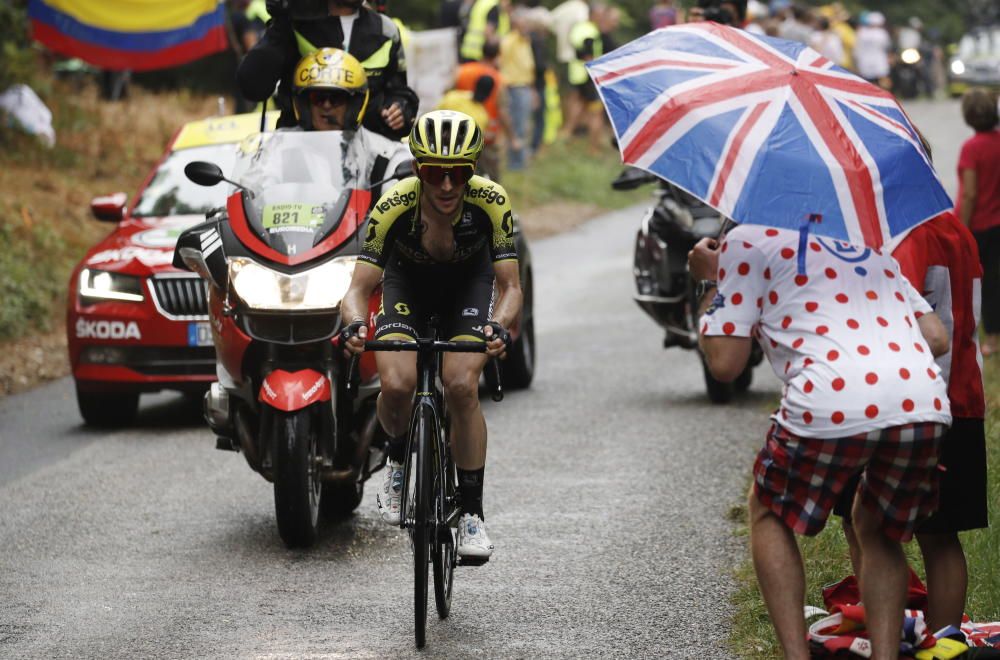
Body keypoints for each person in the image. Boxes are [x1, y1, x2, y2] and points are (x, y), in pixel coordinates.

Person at [688, 225, 951, 660]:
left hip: (831, 397)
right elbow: (937, 338)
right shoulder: (865, 243)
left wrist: (712, 280)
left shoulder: (747, 242)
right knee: (875, 524)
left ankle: (796, 656)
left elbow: (725, 364)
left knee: (768, 510)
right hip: (920, 398)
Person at [339, 110, 523, 559]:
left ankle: (473, 515)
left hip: (468, 286)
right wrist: (355, 324)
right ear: (418, 169)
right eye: (435, 172)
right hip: (408, 288)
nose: (446, 185)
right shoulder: (392, 206)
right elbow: (357, 291)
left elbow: (511, 287)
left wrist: (498, 325)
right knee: (398, 383)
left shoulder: (491, 202)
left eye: (458, 173)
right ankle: (398, 461)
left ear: (472, 171)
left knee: (461, 384)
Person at [834, 211, 987, 633]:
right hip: (960, 396)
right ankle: (943, 640)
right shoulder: (955, 226)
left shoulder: (907, 234)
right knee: (941, 535)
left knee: (861, 521)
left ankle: (887, 632)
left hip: (902, 402)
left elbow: (892, 310)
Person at [236, 0, 418, 140]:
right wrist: (280, 22)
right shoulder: (293, 25)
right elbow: (252, 87)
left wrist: (399, 109)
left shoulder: (386, 31)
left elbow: (399, 92)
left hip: (367, 165)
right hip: (300, 158)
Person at [957, 88, 1000, 356]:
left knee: (985, 281)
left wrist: (962, 227)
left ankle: (992, 338)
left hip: (980, 225)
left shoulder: (971, 148)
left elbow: (970, 193)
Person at [454, 40, 519, 181]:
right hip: (488, 138)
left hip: (459, 136)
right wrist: (512, 137)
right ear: (497, 55)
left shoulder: (462, 71)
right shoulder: (497, 79)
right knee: (492, 182)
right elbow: (503, 111)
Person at [499, 7, 536, 171]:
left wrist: (533, 89)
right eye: (524, 22)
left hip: (525, 86)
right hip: (514, 87)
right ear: (515, 23)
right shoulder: (509, 42)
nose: (527, 25)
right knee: (517, 126)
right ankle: (516, 165)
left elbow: (528, 66)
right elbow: (501, 64)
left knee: (523, 126)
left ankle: (519, 163)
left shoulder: (525, 41)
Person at [853, 11, 891, 88]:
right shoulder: (882, 33)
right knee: (882, 81)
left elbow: (857, 48)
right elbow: (886, 46)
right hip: (879, 60)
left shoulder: (861, 32)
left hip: (864, 61)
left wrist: (855, 60)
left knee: (868, 82)